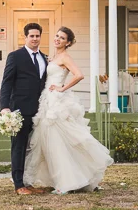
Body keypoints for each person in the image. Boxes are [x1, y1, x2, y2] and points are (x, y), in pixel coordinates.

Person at [23, 27, 114, 194]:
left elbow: (79, 75)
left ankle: (65, 182)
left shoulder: (65, 57)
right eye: (56, 36)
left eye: (62, 38)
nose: (57, 39)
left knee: (57, 141)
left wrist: (62, 88)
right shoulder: (54, 57)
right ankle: (64, 178)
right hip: (47, 100)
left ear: (68, 42)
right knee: (50, 141)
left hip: (57, 102)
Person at [0, 22, 49, 195]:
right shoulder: (15, 56)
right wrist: (5, 107)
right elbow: (6, 82)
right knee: (19, 147)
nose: (35, 39)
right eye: (31, 36)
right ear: (25, 37)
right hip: (19, 110)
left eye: (37, 36)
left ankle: (28, 182)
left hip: (39, 111)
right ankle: (19, 185)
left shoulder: (44, 58)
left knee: (34, 149)